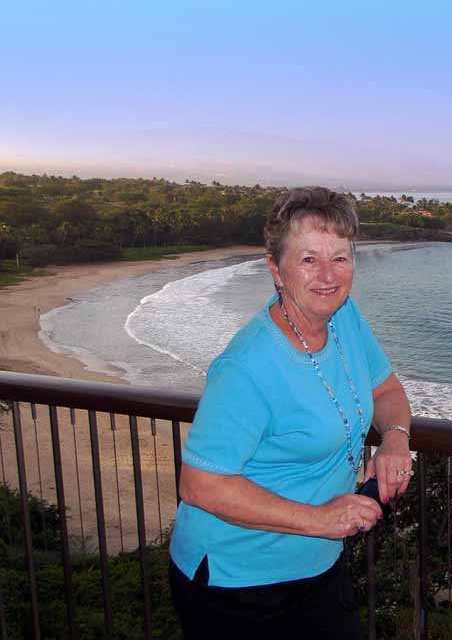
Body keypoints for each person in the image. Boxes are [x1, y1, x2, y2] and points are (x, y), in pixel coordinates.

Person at [169, 188, 413, 638]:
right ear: (275, 270)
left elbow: (387, 389)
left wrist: (396, 437)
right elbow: (199, 485)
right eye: (308, 260)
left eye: (340, 258)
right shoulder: (247, 366)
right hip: (237, 579)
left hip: (319, 560)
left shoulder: (343, 317)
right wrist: (322, 519)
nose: (327, 275)